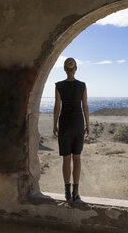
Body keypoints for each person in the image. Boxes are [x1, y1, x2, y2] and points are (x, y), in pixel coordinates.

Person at [53, 57, 89, 202]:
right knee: (77, 158)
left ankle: (67, 192)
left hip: (65, 123)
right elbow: (85, 107)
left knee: (66, 159)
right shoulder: (82, 85)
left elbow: (57, 107)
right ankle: (76, 192)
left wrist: (54, 125)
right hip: (78, 123)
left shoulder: (59, 86)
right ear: (75, 69)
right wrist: (88, 124)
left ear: (64, 69)